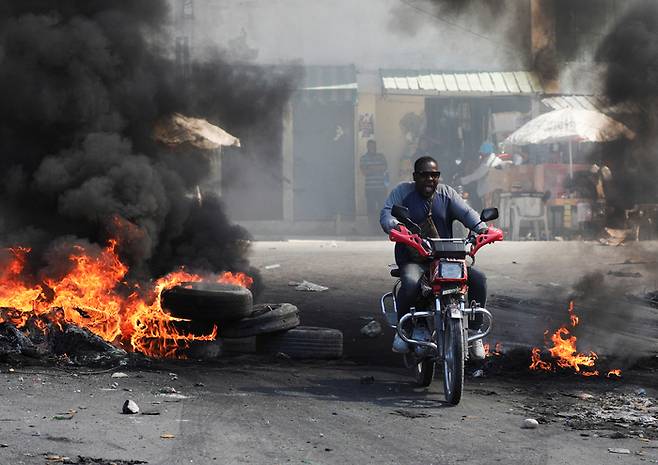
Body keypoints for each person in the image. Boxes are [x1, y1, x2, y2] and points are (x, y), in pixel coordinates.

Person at [380, 156, 489, 359]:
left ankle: (474, 331)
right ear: (415, 176)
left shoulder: (446, 193)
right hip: (413, 258)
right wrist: (395, 226)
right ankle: (407, 329)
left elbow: (466, 213)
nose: (430, 179)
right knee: (411, 283)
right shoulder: (402, 192)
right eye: (424, 175)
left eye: (434, 175)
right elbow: (387, 214)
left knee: (478, 279)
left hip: (444, 257)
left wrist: (482, 228)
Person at [459, 142, 509, 210]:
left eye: (482, 152)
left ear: (486, 152)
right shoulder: (496, 160)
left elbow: (477, 175)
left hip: (488, 191)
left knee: (488, 210)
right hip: (495, 190)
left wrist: (462, 180)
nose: (481, 154)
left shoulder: (488, 162)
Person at [360, 140, 388, 233]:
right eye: (371, 146)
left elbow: (384, 168)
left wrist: (371, 168)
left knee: (381, 208)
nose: (372, 148)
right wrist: (376, 168)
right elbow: (364, 171)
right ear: (367, 147)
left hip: (381, 187)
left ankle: (380, 228)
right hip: (370, 188)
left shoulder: (381, 156)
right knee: (371, 209)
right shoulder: (364, 158)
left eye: (374, 146)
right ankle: (372, 228)